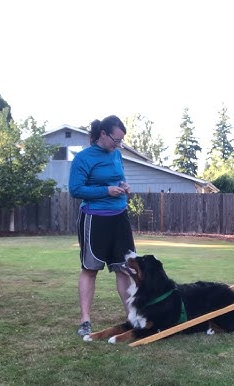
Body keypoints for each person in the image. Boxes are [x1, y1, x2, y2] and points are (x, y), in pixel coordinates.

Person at [68, 115, 135, 337]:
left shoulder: (116, 155)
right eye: (116, 140)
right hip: (95, 219)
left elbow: (119, 177)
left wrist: (123, 186)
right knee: (90, 269)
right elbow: (76, 190)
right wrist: (105, 191)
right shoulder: (84, 158)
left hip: (120, 216)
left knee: (124, 268)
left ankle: (132, 318)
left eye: (121, 141)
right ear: (104, 134)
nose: (118, 145)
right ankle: (85, 320)